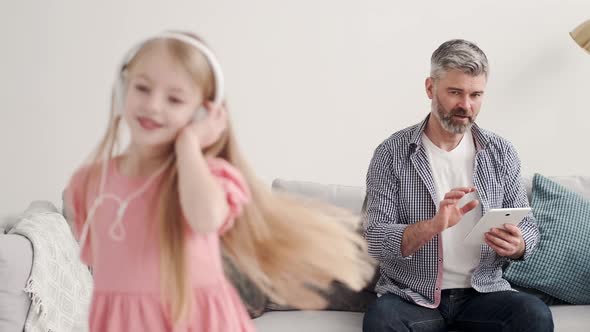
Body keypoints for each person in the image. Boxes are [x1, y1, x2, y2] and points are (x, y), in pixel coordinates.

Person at [64, 31, 374, 332]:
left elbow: (204, 219)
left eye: (174, 99)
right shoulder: (89, 181)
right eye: (142, 88)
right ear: (122, 89)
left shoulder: (211, 177)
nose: (154, 105)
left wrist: (188, 145)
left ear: (202, 113)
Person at [362, 39, 553, 331]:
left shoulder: (500, 151)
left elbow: (527, 225)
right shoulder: (392, 153)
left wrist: (518, 244)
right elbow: (374, 237)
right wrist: (433, 226)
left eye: (476, 94)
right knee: (381, 321)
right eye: (455, 92)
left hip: (483, 292)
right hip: (412, 296)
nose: (466, 105)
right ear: (430, 88)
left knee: (534, 314)